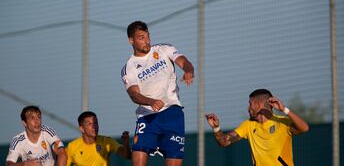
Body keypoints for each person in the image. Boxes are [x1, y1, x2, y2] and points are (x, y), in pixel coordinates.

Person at [121, 21, 195, 166]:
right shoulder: (129, 67)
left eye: (147, 36)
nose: (147, 41)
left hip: (173, 114)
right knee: (138, 160)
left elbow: (184, 61)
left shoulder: (164, 49)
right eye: (141, 37)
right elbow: (134, 94)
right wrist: (151, 102)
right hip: (148, 117)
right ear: (131, 40)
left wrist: (189, 71)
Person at [206, 89, 309, 166]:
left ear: (259, 105)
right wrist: (216, 128)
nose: (248, 108)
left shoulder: (282, 122)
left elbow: (304, 128)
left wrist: (284, 109)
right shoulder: (248, 125)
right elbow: (223, 142)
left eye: (250, 104)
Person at [66, 111, 131, 166]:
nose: (94, 126)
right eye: (89, 124)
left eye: (95, 123)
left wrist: (126, 143)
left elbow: (127, 156)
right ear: (82, 128)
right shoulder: (72, 146)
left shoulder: (107, 141)